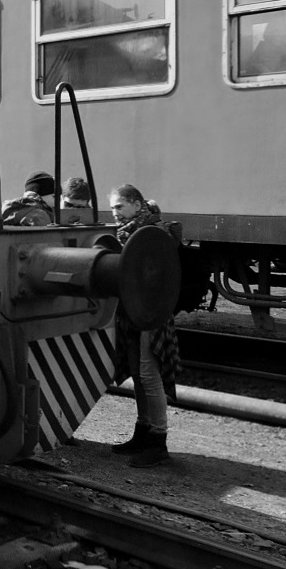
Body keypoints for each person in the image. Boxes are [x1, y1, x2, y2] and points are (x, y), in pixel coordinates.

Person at [108, 183, 182, 468]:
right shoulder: (133, 232)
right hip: (136, 311)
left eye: (119, 207)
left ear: (137, 205)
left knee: (149, 375)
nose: (114, 213)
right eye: (113, 207)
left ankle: (158, 441)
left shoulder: (152, 233)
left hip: (151, 312)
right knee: (139, 373)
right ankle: (143, 430)